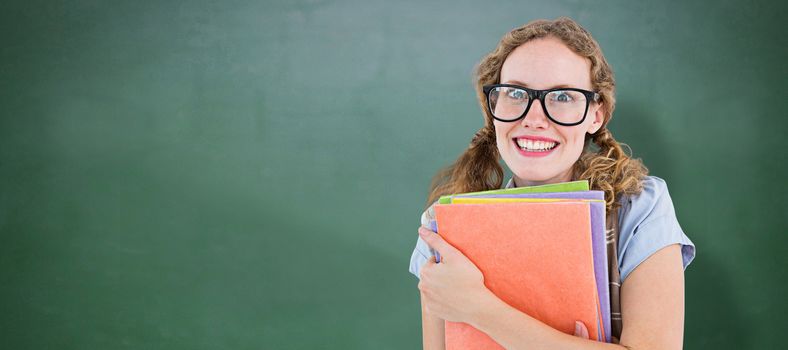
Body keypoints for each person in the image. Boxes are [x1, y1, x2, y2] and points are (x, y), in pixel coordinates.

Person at [408, 17, 696, 349]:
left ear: (595, 114)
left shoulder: (640, 207)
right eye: (515, 93)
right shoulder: (443, 229)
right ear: (493, 107)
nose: (534, 118)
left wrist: (478, 308)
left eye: (562, 97)